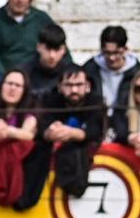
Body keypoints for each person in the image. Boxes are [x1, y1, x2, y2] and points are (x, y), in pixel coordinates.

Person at [27, 66, 105, 205]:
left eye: (79, 85)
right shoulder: (49, 100)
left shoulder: (95, 101)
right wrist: (50, 133)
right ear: (59, 86)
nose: (74, 90)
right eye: (68, 85)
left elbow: (96, 130)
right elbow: (41, 128)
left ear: (87, 85)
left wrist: (71, 133)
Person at [0, 68, 37, 208]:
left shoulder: (31, 110)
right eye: (9, 83)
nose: (12, 88)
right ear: (1, 86)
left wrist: (8, 131)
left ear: (24, 91)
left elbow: (28, 134)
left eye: (18, 85)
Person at [82, 25, 139, 120]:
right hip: (95, 121)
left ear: (125, 49)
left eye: (116, 53)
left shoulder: (135, 72)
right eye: (107, 53)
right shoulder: (90, 69)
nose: (111, 58)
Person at [19, 21, 74, 96]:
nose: (52, 55)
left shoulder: (72, 74)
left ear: (64, 50)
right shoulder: (24, 73)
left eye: (57, 49)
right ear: (38, 47)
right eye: (48, 49)